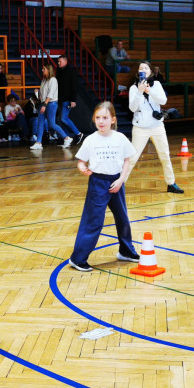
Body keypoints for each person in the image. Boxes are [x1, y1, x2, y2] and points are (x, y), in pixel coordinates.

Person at [67, 102, 141, 272]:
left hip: (116, 182)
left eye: (105, 118)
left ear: (113, 120)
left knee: (122, 218)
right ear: (94, 119)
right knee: (94, 221)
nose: (101, 121)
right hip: (98, 184)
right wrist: (83, 169)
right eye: (98, 118)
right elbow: (81, 161)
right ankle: (78, 259)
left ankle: (126, 251)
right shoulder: (90, 140)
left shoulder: (120, 138)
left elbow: (127, 161)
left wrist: (121, 180)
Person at [129, 61, 183, 194]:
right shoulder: (133, 88)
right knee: (132, 158)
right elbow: (132, 108)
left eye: (146, 68)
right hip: (140, 128)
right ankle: (119, 184)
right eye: (141, 68)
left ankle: (171, 183)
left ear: (150, 71)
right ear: (138, 72)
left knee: (165, 155)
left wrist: (149, 91)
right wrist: (140, 92)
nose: (143, 69)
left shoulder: (156, 85)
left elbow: (163, 101)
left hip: (157, 126)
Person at [32, 63, 71, 150]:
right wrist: (37, 93)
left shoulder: (53, 80)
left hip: (51, 104)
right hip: (43, 102)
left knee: (52, 124)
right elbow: (41, 96)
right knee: (40, 123)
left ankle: (66, 138)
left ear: (49, 70)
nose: (42, 70)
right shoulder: (43, 80)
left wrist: (45, 104)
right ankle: (38, 142)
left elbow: (50, 94)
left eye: (44, 69)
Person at [55, 56, 84, 145]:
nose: (58, 63)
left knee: (64, 118)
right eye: (58, 62)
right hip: (60, 99)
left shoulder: (72, 70)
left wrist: (73, 100)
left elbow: (74, 86)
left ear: (65, 61)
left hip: (68, 99)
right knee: (61, 119)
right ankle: (67, 138)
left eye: (60, 61)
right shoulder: (59, 71)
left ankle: (78, 134)